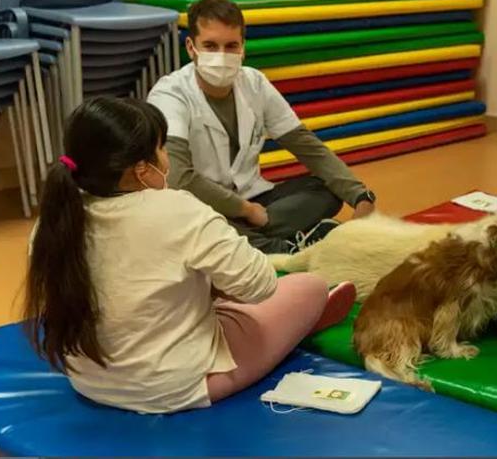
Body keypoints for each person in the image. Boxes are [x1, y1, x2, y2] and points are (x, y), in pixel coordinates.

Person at [23, 97, 356, 414]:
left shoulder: (53, 222)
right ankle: (296, 326)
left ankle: (275, 324)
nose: (167, 157)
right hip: (174, 386)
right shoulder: (176, 208)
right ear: (141, 169)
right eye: (162, 148)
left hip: (88, 382)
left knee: (199, 290)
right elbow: (261, 285)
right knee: (309, 286)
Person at [148, 0, 377, 254]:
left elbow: (306, 146)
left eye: (231, 46)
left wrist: (360, 195)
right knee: (191, 226)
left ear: (243, 48)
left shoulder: (255, 83)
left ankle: (253, 244)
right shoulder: (169, 94)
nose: (221, 56)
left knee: (326, 189)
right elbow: (178, 176)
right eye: (210, 46)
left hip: (255, 201)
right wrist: (244, 210)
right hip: (199, 205)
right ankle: (286, 248)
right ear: (191, 47)